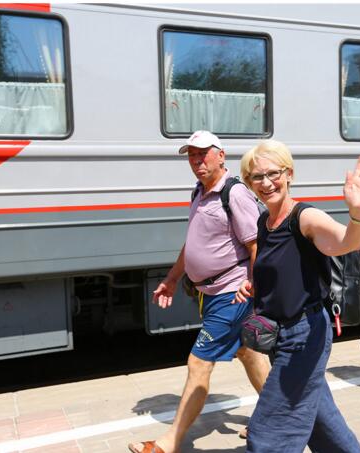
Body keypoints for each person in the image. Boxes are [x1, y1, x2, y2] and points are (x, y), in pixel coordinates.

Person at [128, 131, 270, 453]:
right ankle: (279, 416)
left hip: (232, 294)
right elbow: (193, 244)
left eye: (203, 154)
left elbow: (255, 245)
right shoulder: (199, 192)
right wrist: (173, 278)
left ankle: (168, 443)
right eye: (191, 155)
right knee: (248, 353)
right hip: (210, 294)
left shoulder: (234, 194)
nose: (196, 161)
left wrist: (253, 286)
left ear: (221, 155)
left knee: (198, 363)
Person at [236, 140, 360, 452]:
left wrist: (358, 214)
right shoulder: (265, 221)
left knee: (269, 431)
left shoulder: (304, 217)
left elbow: (345, 243)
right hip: (279, 335)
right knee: (322, 423)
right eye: (255, 177)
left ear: (289, 174)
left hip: (304, 335)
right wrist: (254, 286)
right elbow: (279, 268)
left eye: (272, 173)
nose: (265, 183)